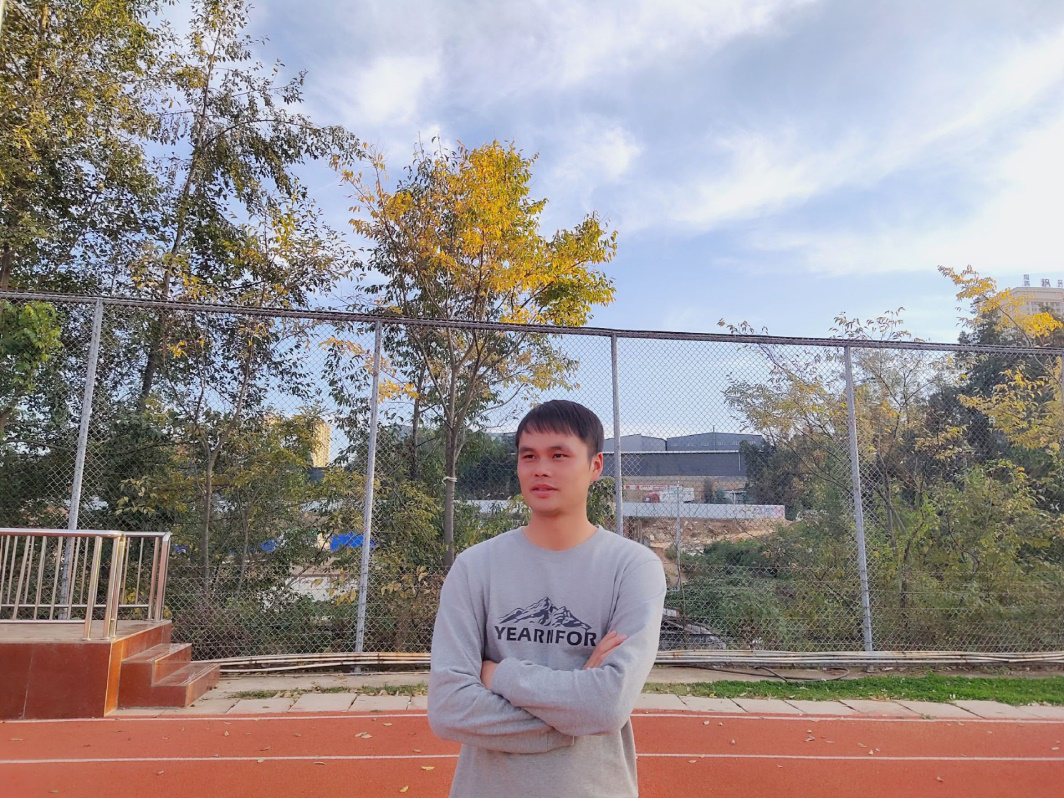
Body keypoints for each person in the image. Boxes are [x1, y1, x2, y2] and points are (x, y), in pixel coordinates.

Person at [428, 399, 667, 798]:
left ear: (595, 466)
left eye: (559, 455)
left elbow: (607, 705)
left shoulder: (633, 568)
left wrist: (497, 676)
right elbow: (449, 709)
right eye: (529, 456)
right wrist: (574, 715)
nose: (541, 468)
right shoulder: (475, 567)